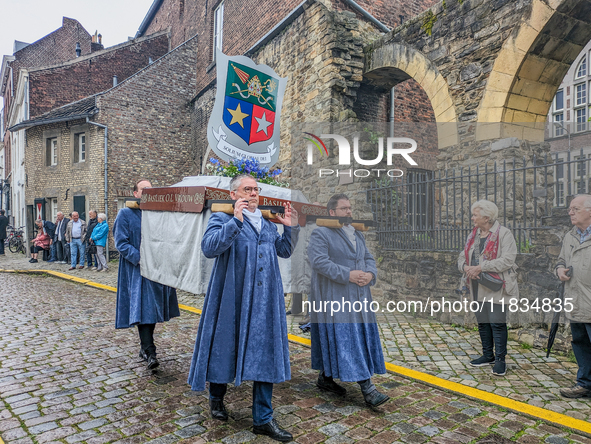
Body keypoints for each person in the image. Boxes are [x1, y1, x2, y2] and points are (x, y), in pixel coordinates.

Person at [188, 174, 299, 442]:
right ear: (234, 195)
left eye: (255, 189)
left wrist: (291, 227)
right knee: (225, 345)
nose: (252, 193)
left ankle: (263, 418)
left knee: (265, 352)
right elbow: (209, 248)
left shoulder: (268, 223)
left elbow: (283, 251)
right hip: (232, 295)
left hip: (265, 300)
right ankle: (216, 398)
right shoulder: (222, 218)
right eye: (246, 189)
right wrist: (236, 221)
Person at [307, 193, 389, 408]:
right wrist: (348, 274)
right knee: (346, 337)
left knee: (353, 337)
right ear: (332, 212)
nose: (349, 212)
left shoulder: (357, 234)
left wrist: (370, 274)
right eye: (344, 208)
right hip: (335, 296)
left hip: (361, 297)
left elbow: (369, 258)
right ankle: (368, 390)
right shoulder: (321, 233)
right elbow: (319, 262)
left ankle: (325, 378)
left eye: (350, 208)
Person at [113, 179, 180, 370]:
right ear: (135, 193)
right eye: (144, 189)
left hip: (159, 268)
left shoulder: (158, 213)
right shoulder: (125, 213)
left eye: (151, 189)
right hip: (137, 269)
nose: (147, 192)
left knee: (152, 309)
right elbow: (121, 243)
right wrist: (141, 258)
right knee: (143, 309)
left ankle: (145, 348)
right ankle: (150, 351)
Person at [458, 199, 518, 377]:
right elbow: (462, 256)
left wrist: (481, 267)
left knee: (497, 323)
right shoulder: (473, 235)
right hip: (475, 285)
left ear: (486, 216)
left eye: (475, 215)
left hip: (495, 286)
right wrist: (466, 268)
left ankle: (500, 360)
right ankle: (487, 355)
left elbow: (508, 260)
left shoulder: (504, 234)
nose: (472, 218)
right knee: (483, 322)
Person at [557, 194, 591, 398]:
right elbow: (560, 260)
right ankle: (584, 384)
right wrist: (559, 270)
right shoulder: (570, 236)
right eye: (570, 209)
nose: (570, 212)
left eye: (575, 209)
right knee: (580, 345)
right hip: (575, 302)